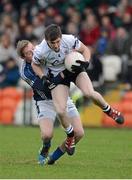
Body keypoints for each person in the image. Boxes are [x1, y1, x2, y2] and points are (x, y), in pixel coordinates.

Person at [31, 24, 124, 125]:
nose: (56, 45)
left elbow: (85, 49)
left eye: (58, 41)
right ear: (46, 40)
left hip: (75, 69)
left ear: (61, 37)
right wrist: (42, 76)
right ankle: (70, 134)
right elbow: (34, 64)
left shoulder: (69, 39)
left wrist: (87, 62)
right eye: (52, 43)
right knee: (60, 110)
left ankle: (110, 111)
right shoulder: (40, 50)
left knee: (89, 93)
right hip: (59, 76)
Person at [16, 40, 84, 165]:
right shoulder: (25, 71)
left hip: (62, 97)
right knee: (47, 135)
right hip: (44, 101)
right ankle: (45, 148)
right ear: (23, 57)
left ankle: (54, 157)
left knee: (79, 133)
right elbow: (44, 87)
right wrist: (64, 74)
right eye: (28, 53)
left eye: (33, 48)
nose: (33, 52)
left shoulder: (45, 53)